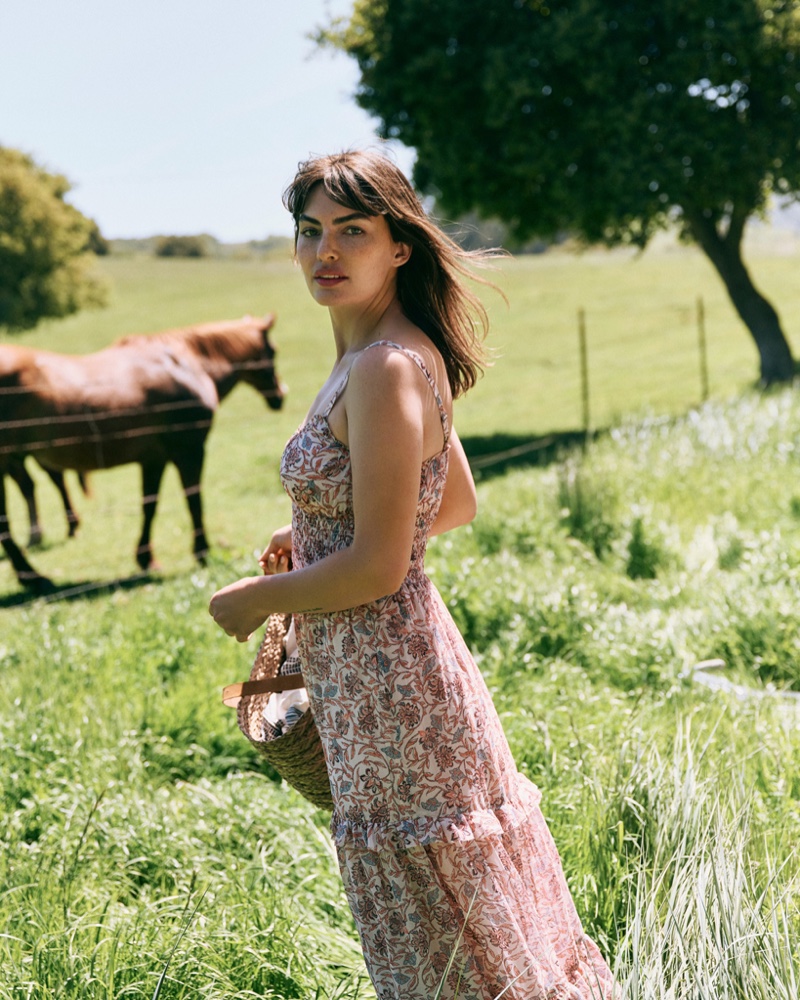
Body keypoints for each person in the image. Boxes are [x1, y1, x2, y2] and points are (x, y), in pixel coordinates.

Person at [209, 149, 614, 1000]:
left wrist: (259, 599)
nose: (326, 250)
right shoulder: (379, 351)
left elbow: (382, 565)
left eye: (352, 231)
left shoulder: (387, 364)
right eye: (310, 231)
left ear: (398, 245)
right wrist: (315, 527)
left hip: (396, 689)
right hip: (377, 678)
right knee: (455, 934)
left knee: (448, 946)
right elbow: (453, 498)